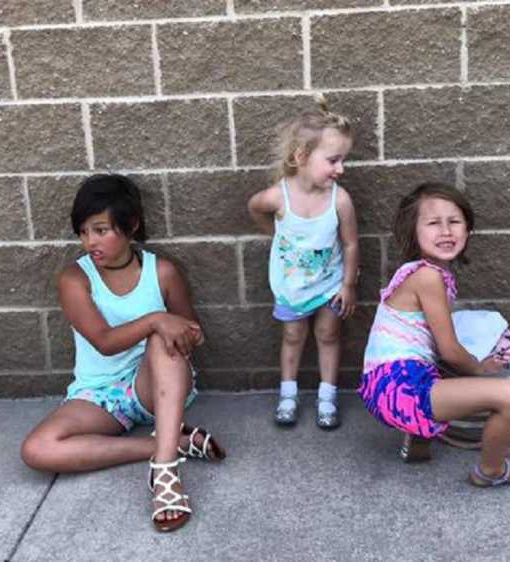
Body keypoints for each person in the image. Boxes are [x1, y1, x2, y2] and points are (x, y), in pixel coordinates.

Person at [21, 174, 225, 532]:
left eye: (101, 230)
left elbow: (192, 332)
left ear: (130, 225)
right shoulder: (75, 278)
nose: (90, 242)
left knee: (163, 340)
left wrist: (179, 330)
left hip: (156, 386)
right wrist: (156, 319)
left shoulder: (161, 272)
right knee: (37, 450)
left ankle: (165, 474)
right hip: (100, 393)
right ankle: (171, 443)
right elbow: (104, 341)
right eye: (84, 232)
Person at [360, 183, 510, 486]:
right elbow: (449, 350)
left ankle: (417, 438)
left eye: (454, 221)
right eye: (433, 223)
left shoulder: (425, 274)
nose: (445, 230)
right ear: (413, 232)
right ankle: (492, 471)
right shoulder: (427, 277)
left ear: (467, 230)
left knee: (446, 371)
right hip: (399, 385)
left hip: (390, 381)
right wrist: (483, 370)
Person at [247, 95, 359, 429]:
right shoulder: (277, 197)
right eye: (333, 160)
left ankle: (327, 396)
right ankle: (288, 393)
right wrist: (275, 234)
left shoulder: (340, 199)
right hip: (292, 286)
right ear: (301, 157)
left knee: (328, 334)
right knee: (293, 335)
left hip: (329, 285)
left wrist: (348, 284)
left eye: (343, 160)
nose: (341, 169)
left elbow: (351, 243)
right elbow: (254, 207)